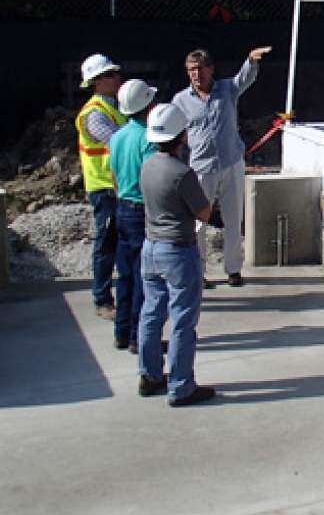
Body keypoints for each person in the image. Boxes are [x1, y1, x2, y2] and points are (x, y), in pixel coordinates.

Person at [171, 46, 272, 288]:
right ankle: (199, 271)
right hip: (200, 168)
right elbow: (174, 130)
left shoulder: (227, 89)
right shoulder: (181, 100)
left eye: (199, 69)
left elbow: (244, 79)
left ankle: (233, 270)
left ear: (211, 69)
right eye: (191, 70)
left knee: (233, 217)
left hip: (231, 163)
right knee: (198, 224)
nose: (196, 74)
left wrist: (251, 60)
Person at [137, 103, 217, 407]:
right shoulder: (182, 174)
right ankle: (181, 386)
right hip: (178, 251)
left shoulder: (147, 166)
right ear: (181, 135)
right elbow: (204, 212)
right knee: (183, 320)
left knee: (151, 313)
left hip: (151, 248)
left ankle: (150, 375)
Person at [107, 79, 158, 353]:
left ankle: (121, 332)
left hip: (122, 208)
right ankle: (139, 336)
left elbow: (114, 177)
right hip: (142, 212)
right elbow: (152, 180)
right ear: (147, 105)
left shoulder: (116, 137)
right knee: (144, 277)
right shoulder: (148, 139)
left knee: (125, 274)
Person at [75, 53, 125, 320]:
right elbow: (119, 142)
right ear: (96, 81)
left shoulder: (114, 108)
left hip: (119, 187)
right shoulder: (94, 113)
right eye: (110, 75)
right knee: (106, 244)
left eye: (115, 73)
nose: (116, 78)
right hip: (104, 187)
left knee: (122, 243)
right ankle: (102, 299)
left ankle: (120, 295)